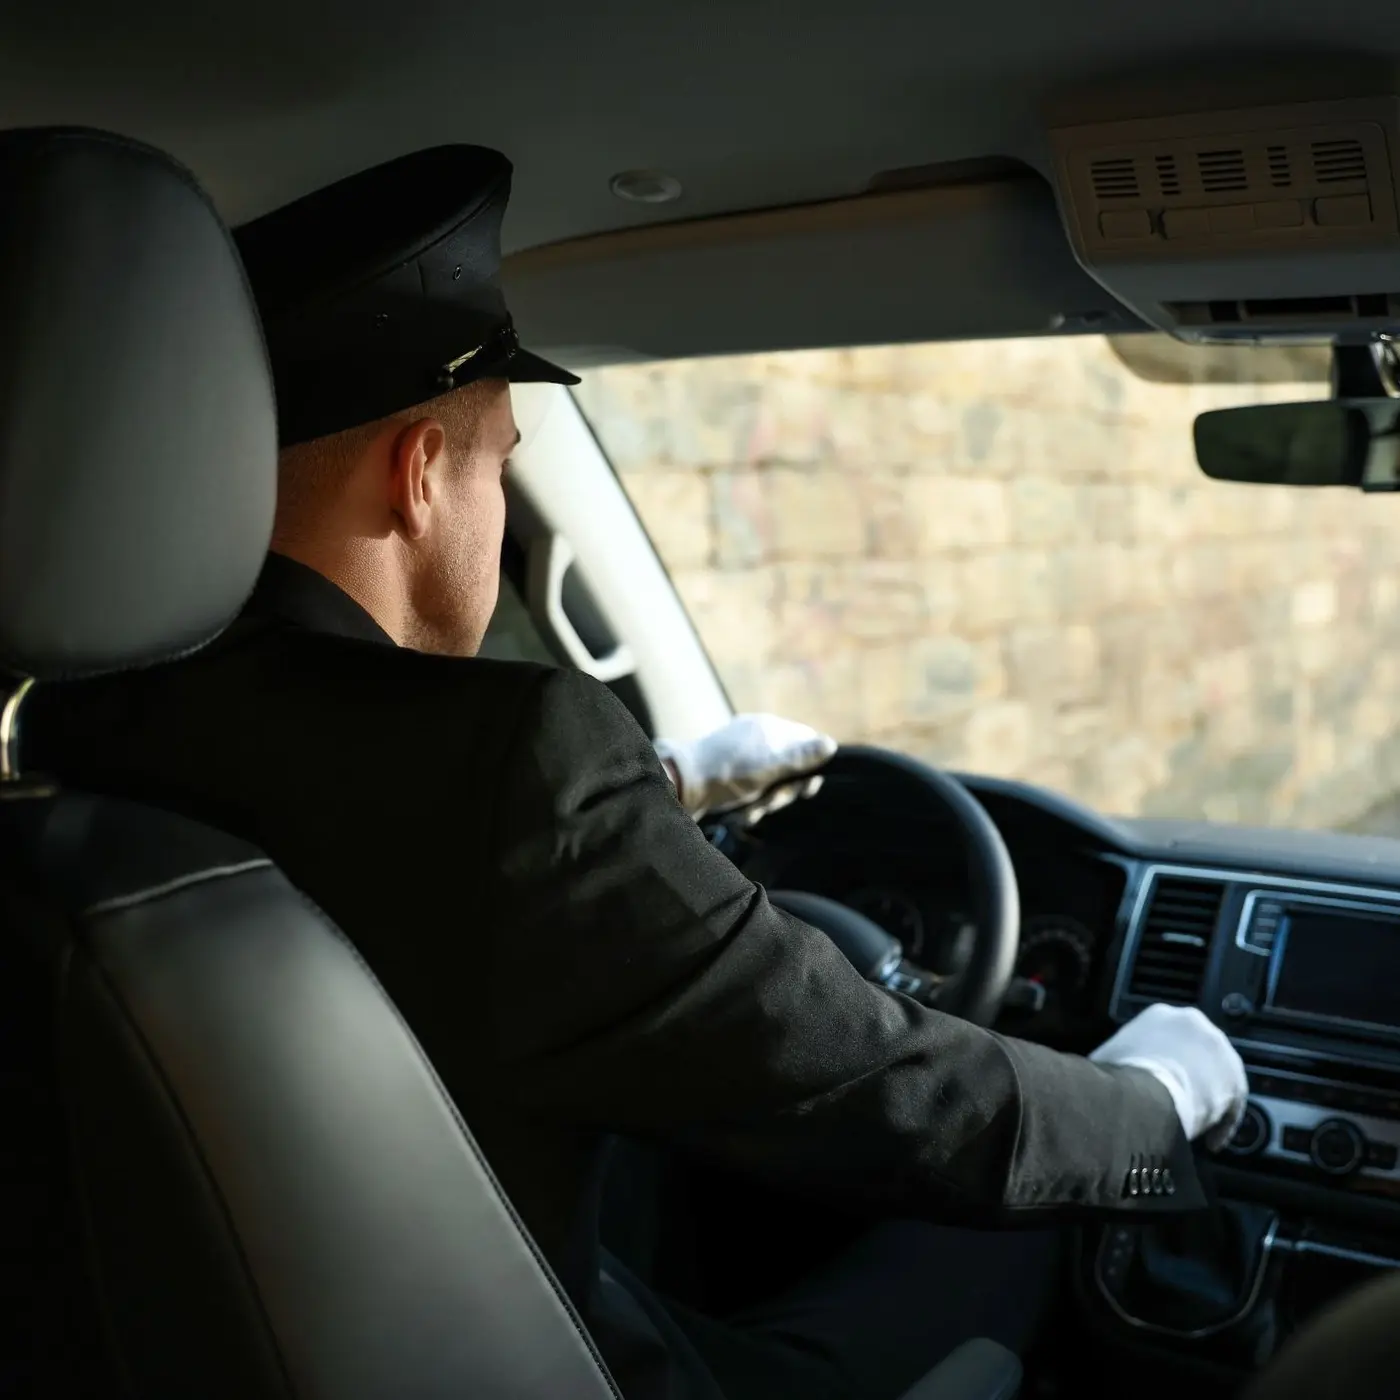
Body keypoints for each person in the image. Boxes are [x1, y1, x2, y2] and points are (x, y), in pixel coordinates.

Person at [26, 144, 1248, 1400]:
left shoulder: (77, 733)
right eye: (500, 461)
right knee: (1006, 1254)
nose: (498, 500)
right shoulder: (511, 757)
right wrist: (1149, 1101)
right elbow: (877, 1083)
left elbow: (396, 850)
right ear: (417, 474)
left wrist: (660, 782)